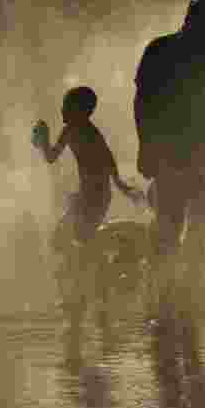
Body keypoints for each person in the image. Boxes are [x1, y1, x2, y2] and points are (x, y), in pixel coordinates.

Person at [134, 0, 205, 309]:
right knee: (170, 223)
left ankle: (187, 295)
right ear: (191, 21)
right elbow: (142, 103)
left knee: (201, 224)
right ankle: (163, 295)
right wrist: (144, 145)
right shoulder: (159, 50)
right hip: (170, 151)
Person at [32, 86, 142, 318]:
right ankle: (100, 280)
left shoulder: (89, 132)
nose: (62, 109)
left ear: (81, 110)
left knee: (81, 241)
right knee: (66, 240)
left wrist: (121, 186)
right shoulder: (70, 130)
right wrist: (42, 141)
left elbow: (108, 158)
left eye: (67, 105)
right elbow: (51, 156)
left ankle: (96, 288)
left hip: (97, 195)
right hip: (86, 195)